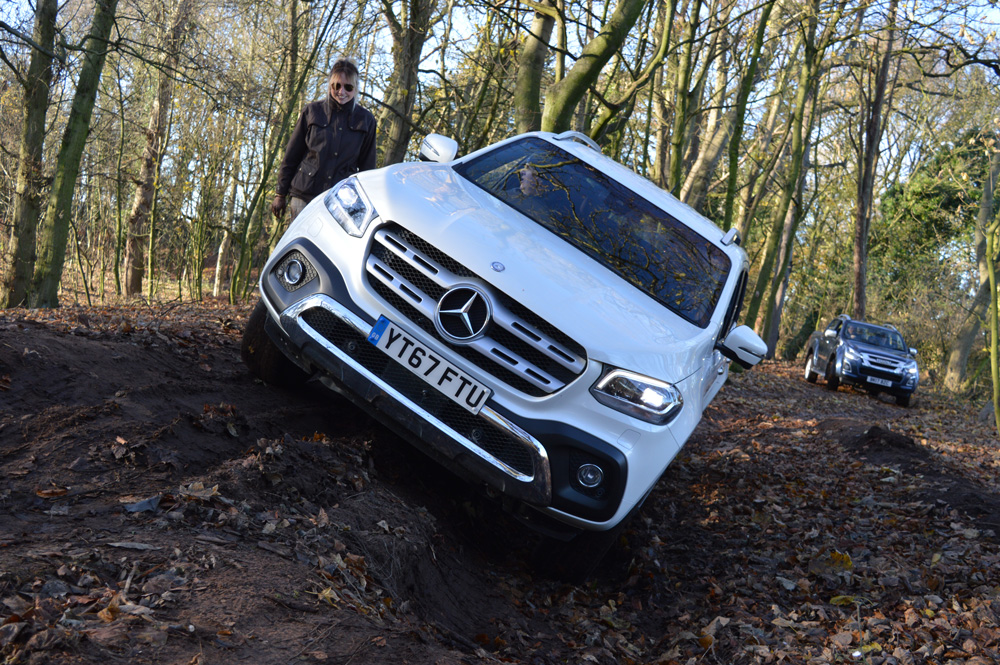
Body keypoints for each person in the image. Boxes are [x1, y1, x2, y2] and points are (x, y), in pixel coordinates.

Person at [271, 58, 377, 222]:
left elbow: (367, 169)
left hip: (340, 202)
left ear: (355, 89)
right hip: (303, 195)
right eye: (337, 86)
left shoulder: (366, 120)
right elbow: (292, 155)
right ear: (330, 86)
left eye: (348, 87)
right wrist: (280, 193)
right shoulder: (312, 111)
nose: (341, 92)